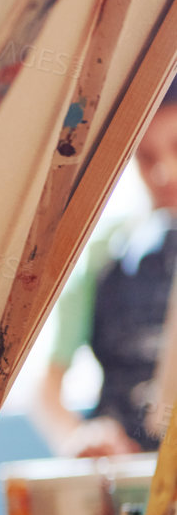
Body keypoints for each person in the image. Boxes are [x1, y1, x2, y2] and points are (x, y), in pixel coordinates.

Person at [35, 78, 177, 456]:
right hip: (124, 481)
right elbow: (47, 391)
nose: (164, 173)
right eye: (146, 158)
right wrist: (78, 439)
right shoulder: (101, 256)